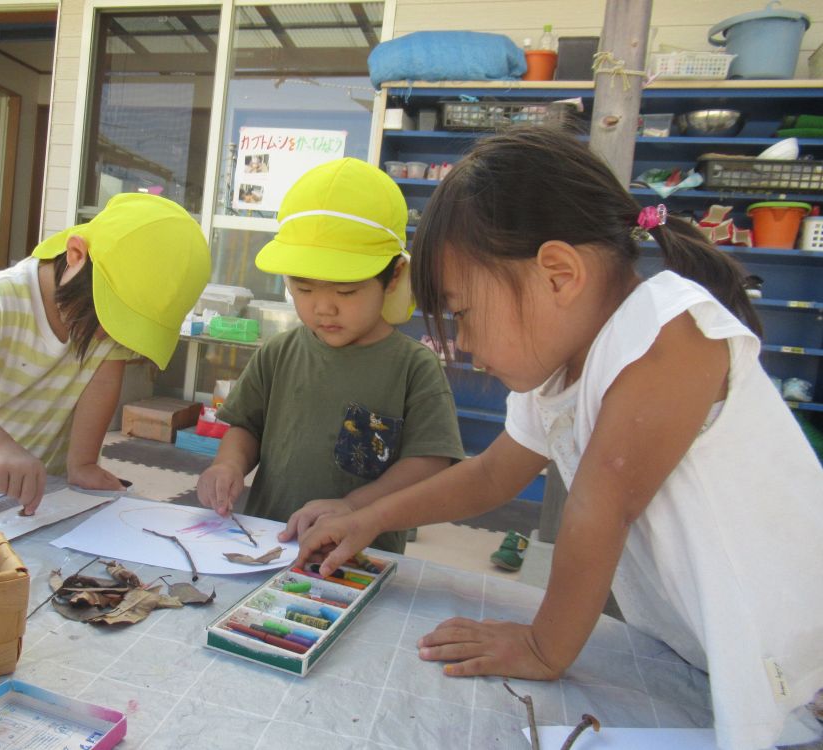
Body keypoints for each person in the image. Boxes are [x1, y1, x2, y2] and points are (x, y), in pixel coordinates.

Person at [295, 130, 823, 750]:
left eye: (463, 313)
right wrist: (366, 515)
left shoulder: (669, 332)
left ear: (558, 274)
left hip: (802, 655)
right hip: (718, 648)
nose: (462, 343)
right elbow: (490, 476)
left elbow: (602, 508)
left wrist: (544, 646)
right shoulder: (563, 374)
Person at [196, 157, 465, 552]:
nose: (323, 308)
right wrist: (228, 465)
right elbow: (245, 427)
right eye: (304, 290)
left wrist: (352, 506)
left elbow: (430, 462)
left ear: (392, 278)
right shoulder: (278, 354)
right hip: (268, 542)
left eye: (345, 292)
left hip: (359, 554)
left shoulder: (413, 368)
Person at [0, 193, 211, 514]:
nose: (107, 335)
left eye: (128, 325)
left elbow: (100, 387)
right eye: (108, 315)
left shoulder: (106, 332)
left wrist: (82, 463)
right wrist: (0, 449)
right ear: (75, 254)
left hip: (52, 484)